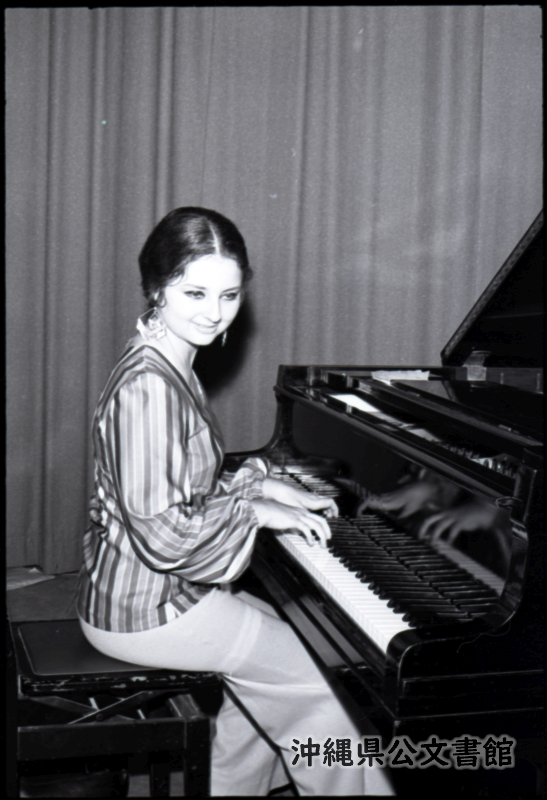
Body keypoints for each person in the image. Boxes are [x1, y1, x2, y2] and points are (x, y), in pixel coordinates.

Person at [76, 207, 394, 796]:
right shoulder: (149, 387)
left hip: (156, 590)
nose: (213, 312)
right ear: (156, 288)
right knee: (322, 687)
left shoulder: (168, 357)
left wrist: (260, 482)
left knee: (294, 651)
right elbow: (165, 534)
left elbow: (180, 485)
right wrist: (253, 509)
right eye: (194, 293)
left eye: (229, 295)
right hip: (143, 608)